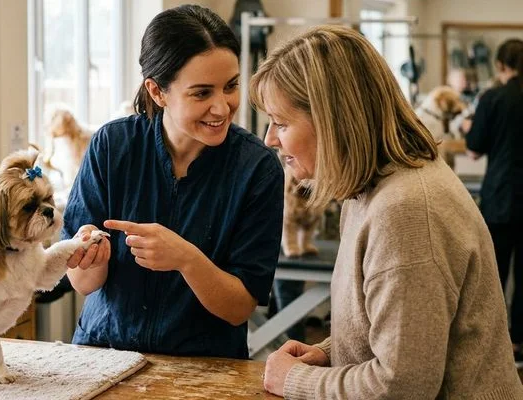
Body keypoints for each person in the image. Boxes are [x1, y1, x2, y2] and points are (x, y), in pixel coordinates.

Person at [252, 25, 523, 399]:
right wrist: (328, 353)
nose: (269, 138)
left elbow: (402, 385)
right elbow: (402, 335)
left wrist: (296, 381)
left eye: (280, 123)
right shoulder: (369, 190)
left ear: (333, 121)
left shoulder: (407, 211)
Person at [61, 4, 283, 359]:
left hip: (205, 370)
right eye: (201, 93)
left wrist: (186, 259)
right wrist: (92, 256)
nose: (223, 107)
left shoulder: (257, 169)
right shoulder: (111, 147)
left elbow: (239, 307)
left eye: (230, 86)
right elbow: (84, 284)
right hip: (103, 356)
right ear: (158, 91)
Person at [465, 38, 523, 366]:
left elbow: (473, 149)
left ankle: (498, 345)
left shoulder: (494, 98)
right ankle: (520, 340)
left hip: (502, 196)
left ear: (500, 64)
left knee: (495, 273)